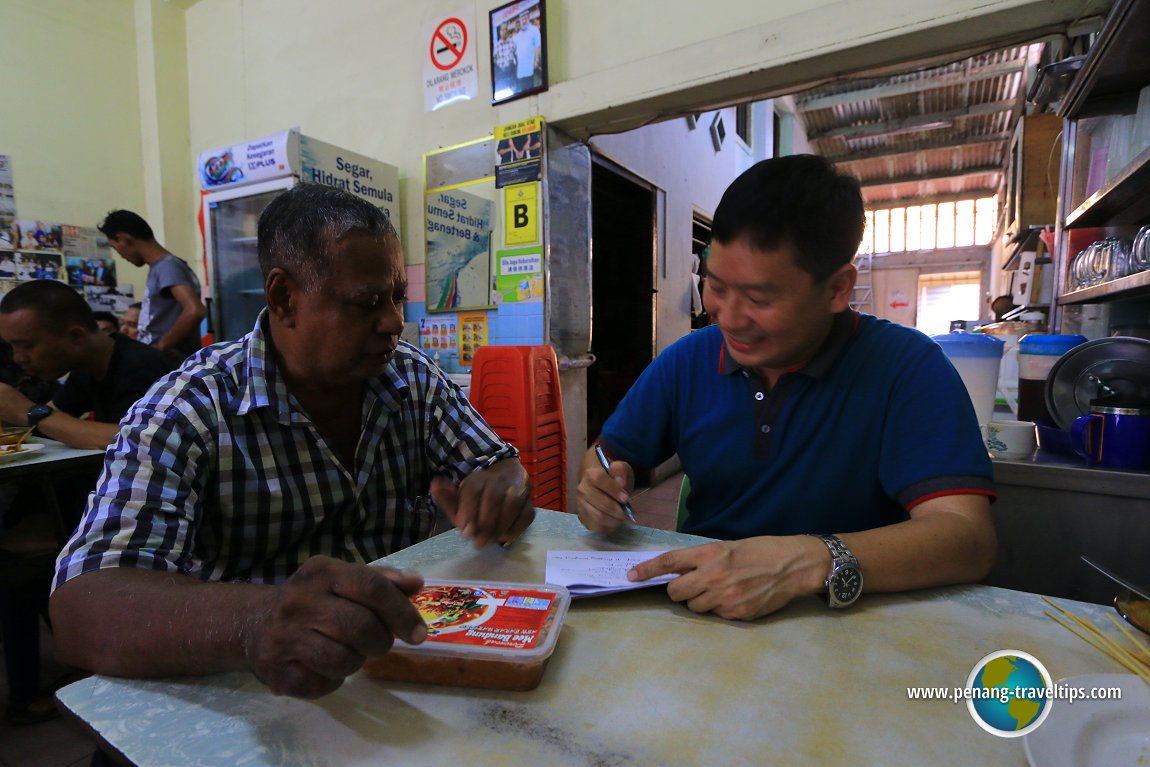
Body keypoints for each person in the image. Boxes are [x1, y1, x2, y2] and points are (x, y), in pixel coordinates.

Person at [50, 183, 535, 700]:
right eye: (368, 302)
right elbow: (84, 607)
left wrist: (504, 482)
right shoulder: (189, 408)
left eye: (397, 297)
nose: (394, 322)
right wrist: (257, 621)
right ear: (284, 298)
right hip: (263, 690)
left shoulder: (411, 378)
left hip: (411, 672)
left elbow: (496, 466)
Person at [577, 154, 996, 622]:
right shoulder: (689, 360)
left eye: (759, 298)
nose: (729, 318)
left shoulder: (906, 368)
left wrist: (807, 561)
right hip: (703, 613)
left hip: (850, 624)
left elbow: (967, 538)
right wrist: (599, 484)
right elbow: (606, 458)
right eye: (715, 286)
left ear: (838, 288)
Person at [0, 280, 175, 450]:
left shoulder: (140, 364)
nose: (18, 358)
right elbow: (55, 419)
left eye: (26, 346)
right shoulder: (86, 366)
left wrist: (27, 412)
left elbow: (141, 439)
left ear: (76, 336)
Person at [97, 210, 206, 360]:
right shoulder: (163, 267)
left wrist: (160, 347)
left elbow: (195, 311)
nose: (120, 255)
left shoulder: (167, 266)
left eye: (116, 248)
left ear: (123, 239)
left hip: (168, 362)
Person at [511, 12, 541, 93]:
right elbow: (515, 51)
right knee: (522, 93)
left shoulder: (534, 29)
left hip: (531, 67)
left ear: (528, 18)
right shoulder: (518, 35)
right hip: (521, 71)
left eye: (525, 18)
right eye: (522, 19)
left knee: (531, 91)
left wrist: (536, 60)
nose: (523, 21)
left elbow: (537, 45)